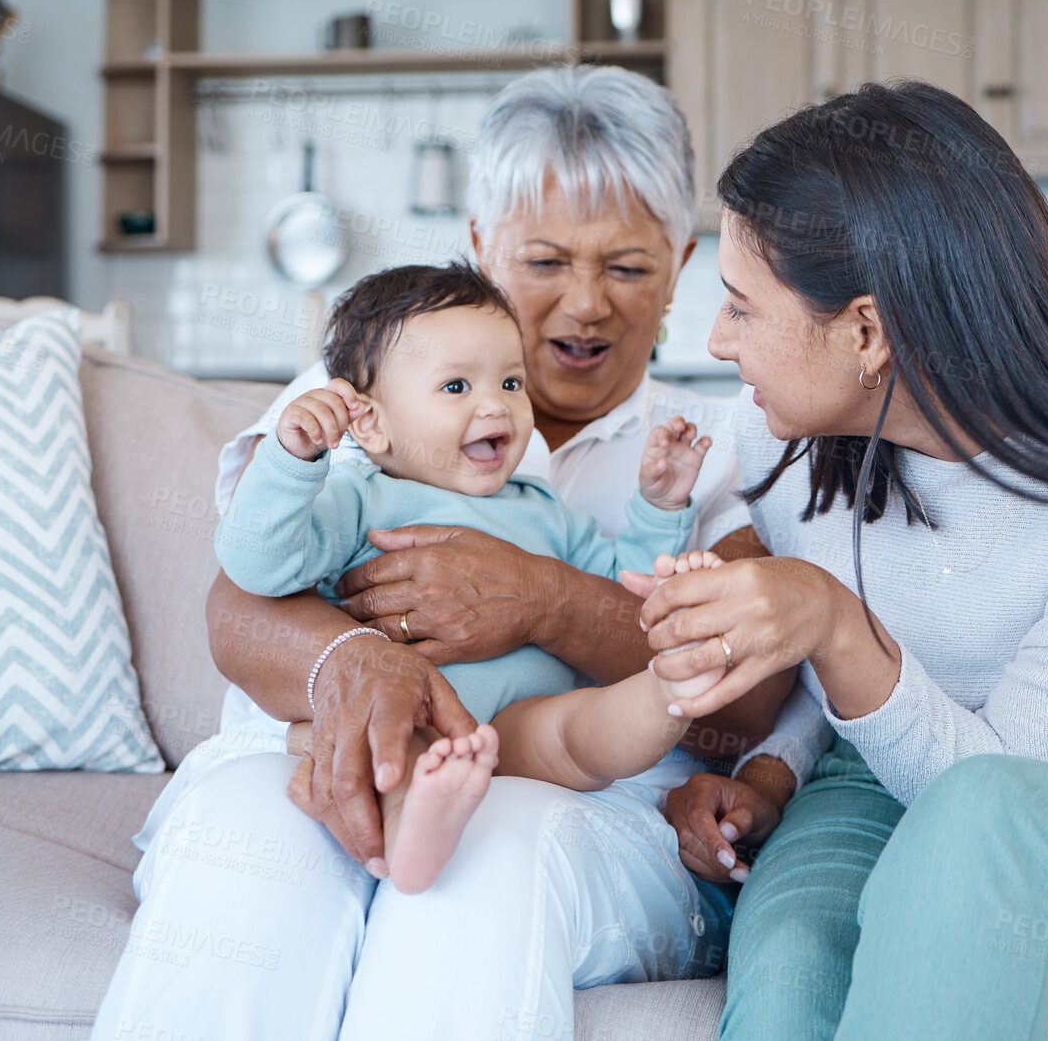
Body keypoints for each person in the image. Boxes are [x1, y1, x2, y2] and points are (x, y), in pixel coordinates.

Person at [92, 65, 805, 1041]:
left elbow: (745, 699)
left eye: (628, 268)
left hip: (577, 795)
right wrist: (359, 661)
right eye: (546, 262)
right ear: (480, 244)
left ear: (681, 263)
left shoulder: (714, 446)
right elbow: (241, 605)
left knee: (490, 854)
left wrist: (544, 598)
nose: (585, 304)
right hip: (333, 752)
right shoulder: (358, 388)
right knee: (254, 843)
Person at [644, 79, 1048, 1040]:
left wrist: (831, 620)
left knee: (978, 825)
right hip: (872, 784)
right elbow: (830, 686)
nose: (716, 342)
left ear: (865, 332)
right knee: (789, 979)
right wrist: (769, 773)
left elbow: (1005, 782)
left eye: (738, 308)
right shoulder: (779, 434)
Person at [216, 260, 726, 894]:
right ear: (370, 423)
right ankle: (412, 834)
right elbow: (258, 566)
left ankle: (673, 686)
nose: (497, 405)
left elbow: (623, 594)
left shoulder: (541, 509)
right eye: (456, 387)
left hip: (529, 727)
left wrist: (661, 508)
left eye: (512, 382)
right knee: (395, 741)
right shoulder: (357, 499)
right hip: (415, 717)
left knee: (590, 727)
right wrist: (293, 463)